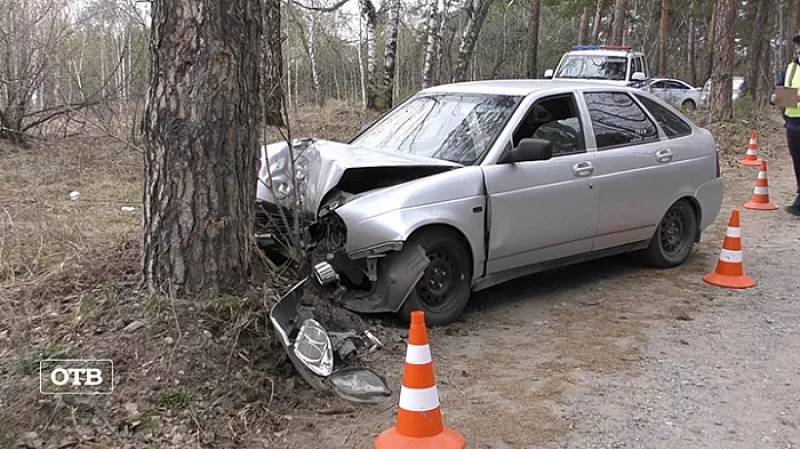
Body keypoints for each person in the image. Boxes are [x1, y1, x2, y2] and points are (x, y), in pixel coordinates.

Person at [770, 34, 800, 216]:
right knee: (797, 162)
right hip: (793, 124)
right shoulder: (788, 70)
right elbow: (777, 89)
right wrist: (774, 98)